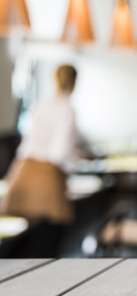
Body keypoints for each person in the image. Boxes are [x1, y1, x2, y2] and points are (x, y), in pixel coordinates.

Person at [0, 64, 80, 257]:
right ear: (75, 82)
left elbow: (27, 144)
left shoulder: (41, 103)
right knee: (46, 247)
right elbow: (58, 155)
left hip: (22, 172)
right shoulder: (66, 109)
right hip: (46, 181)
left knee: (19, 246)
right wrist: (77, 161)